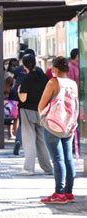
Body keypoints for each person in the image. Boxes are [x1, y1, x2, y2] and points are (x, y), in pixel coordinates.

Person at [38, 56, 79, 204]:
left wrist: (43, 117)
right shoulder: (72, 83)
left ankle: (59, 193)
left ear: (54, 69)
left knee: (57, 159)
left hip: (53, 125)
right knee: (68, 158)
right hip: (68, 125)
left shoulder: (53, 82)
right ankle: (68, 192)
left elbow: (41, 105)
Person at [17, 54, 53, 176]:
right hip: (42, 111)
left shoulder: (26, 79)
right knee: (41, 140)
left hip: (27, 111)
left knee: (29, 140)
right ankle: (48, 168)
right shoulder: (43, 77)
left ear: (24, 65)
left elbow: (23, 98)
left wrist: (18, 91)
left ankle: (28, 168)